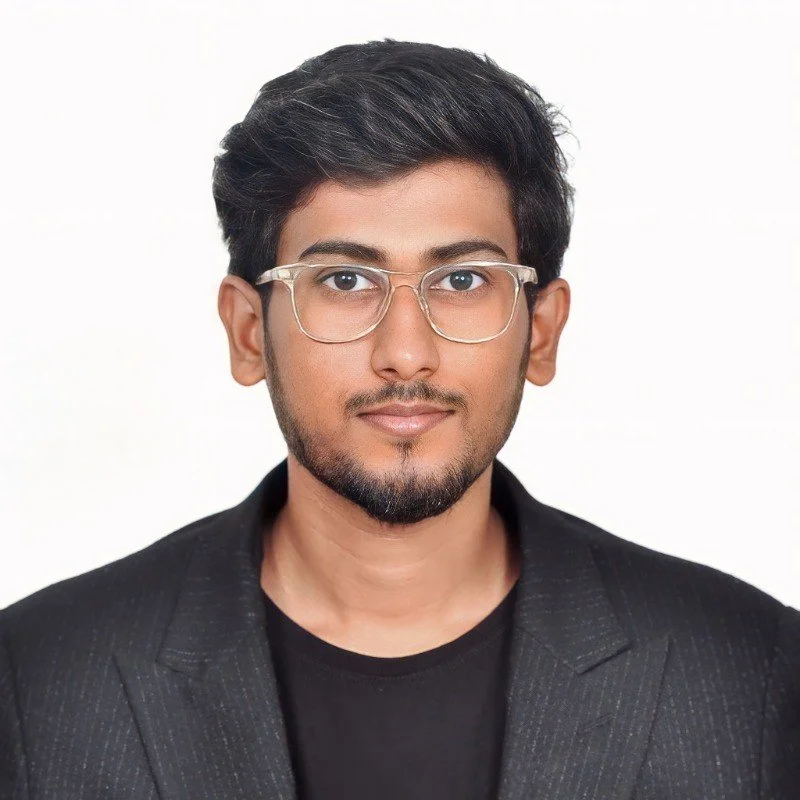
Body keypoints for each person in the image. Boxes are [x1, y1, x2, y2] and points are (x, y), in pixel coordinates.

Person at [1, 39, 797, 800]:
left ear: (541, 332)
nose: (406, 353)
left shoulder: (749, 675)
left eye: (461, 281)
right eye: (345, 279)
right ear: (249, 332)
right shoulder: (38, 682)